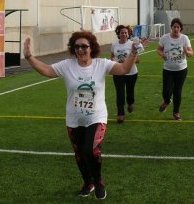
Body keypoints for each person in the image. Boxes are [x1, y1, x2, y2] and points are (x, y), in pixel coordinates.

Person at [23, 31, 140, 200]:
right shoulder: (67, 65)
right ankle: (88, 182)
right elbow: (47, 70)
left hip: (96, 117)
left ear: (91, 47)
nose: (80, 50)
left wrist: (133, 53)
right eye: (77, 46)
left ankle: (99, 181)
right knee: (79, 153)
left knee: (90, 150)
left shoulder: (101, 64)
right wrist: (29, 57)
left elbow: (123, 69)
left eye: (84, 46)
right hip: (74, 119)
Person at [156, 18, 194, 121]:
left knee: (177, 91)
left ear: (181, 28)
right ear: (171, 27)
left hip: (181, 69)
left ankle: (176, 113)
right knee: (166, 91)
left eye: (178, 27)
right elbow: (158, 49)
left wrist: (187, 52)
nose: (176, 29)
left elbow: (191, 53)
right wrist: (162, 54)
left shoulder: (184, 38)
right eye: (174, 27)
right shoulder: (165, 38)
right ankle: (167, 101)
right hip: (168, 69)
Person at [110, 25, 140, 124]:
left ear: (128, 34)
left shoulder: (132, 44)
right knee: (120, 93)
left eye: (126, 32)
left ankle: (130, 102)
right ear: (118, 34)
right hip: (118, 72)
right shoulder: (114, 45)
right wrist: (114, 61)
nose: (124, 34)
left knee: (130, 92)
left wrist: (127, 60)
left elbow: (138, 60)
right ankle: (121, 114)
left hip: (131, 73)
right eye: (122, 32)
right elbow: (112, 57)